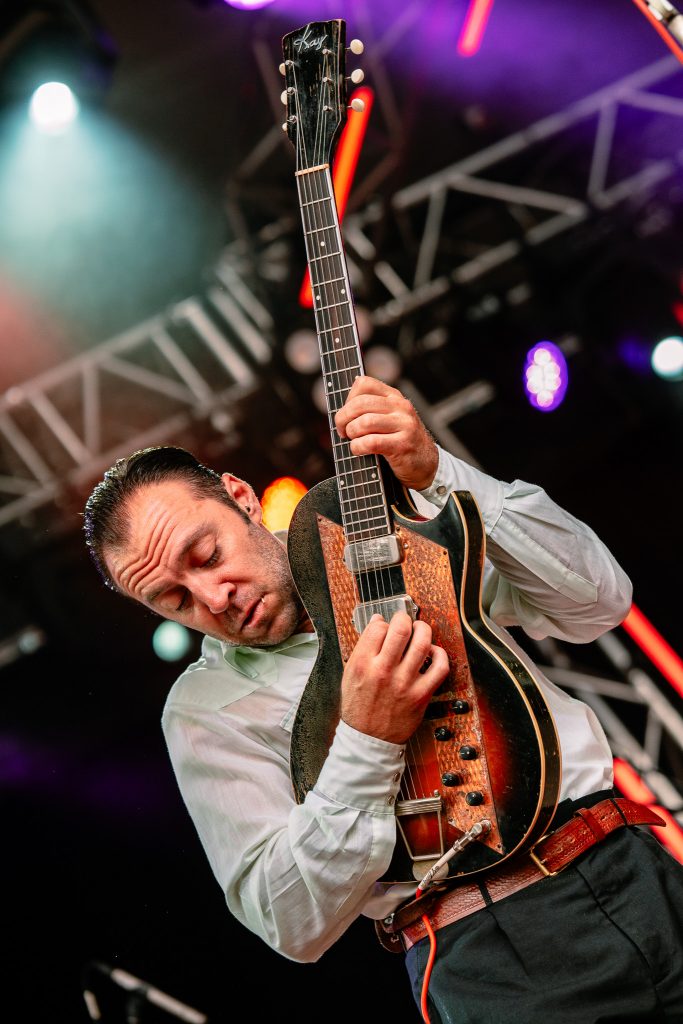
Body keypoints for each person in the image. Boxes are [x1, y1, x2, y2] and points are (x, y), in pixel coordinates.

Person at [83, 374, 683, 1024]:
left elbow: (598, 602)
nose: (213, 597)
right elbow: (288, 922)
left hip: (637, 866)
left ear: (241, 497)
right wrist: (367, 738)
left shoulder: (403, 546)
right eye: (174, 600)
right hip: (498, 955)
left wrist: (436, 471)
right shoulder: (203, 708)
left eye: (206, 554)